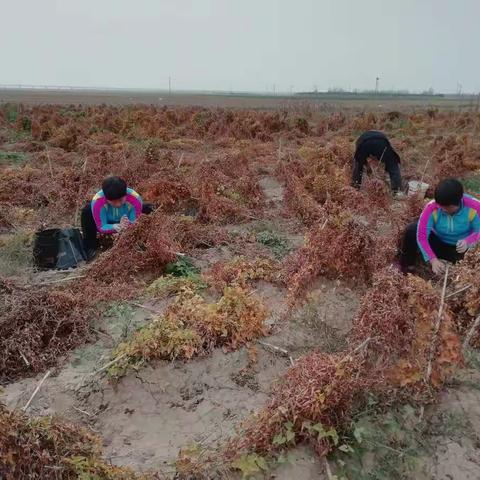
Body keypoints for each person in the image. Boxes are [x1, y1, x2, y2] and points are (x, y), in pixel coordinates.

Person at [398, 178, 480, 274]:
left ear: (457, 202)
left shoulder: (475, 206)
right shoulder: (432, 207)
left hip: (461, 250)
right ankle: (406, 267)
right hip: (438, 244)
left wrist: (468, 241)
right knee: (412, 229)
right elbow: (421, 235)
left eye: (446, 207)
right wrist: (433, 259)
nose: (442, 209)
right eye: (440, 205)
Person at [81, 176, 153, 258]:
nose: (118, 204)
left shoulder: (135, 198)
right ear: (106, 198)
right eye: (113, 202)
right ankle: (90, 246)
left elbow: (134, 224)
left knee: (149, 208)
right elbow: (101, 226)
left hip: (126, 219)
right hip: (108, 221)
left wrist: (127, 224)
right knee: (87, 211)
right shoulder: (97, 201)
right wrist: (115, 227)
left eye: (121, 200)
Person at [352, 130, 404, 197]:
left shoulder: (359, 142)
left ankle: (355, 189)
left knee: (358, 167)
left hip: (365, 143)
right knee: (392, 165)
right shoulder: (380, 136)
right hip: (382, 142)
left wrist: (363, 166)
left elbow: (359, 160)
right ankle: (397, 191)